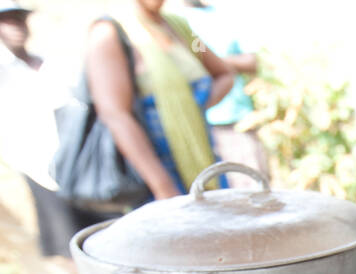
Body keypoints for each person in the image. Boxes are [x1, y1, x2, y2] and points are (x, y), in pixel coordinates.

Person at [84, 0, 233, 200]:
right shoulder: (109, 34)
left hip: (205, 162)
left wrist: (192, 108)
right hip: (158, 177)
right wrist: (163, 187)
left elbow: (224, 74)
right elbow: (115, 115)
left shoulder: (181, 29)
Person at [0, 3, 104, 264]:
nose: (15, 27)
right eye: (6, 21)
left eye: (18, 19)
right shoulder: (4, 73)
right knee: (67, 242)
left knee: (102, 232)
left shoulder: (48, 63)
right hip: (41, 169)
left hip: (78, 162)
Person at [182, 0, 268, 188]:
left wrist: (216, 64)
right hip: (204, 126)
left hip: (239, 121)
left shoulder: (226, 18)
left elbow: (251, 62)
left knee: (254, 187)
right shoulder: (179, 23)